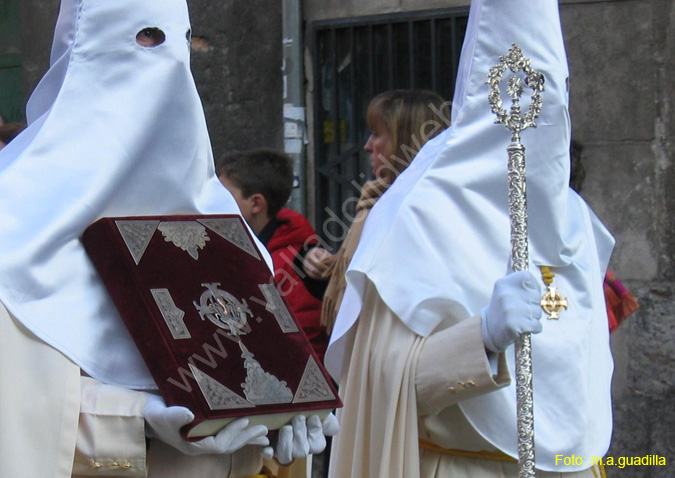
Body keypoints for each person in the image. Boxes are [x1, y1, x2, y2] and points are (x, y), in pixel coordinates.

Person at [0, 1, 335, 477]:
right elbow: (17, 404)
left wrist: (290, 413)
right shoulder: (11, 222)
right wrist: (136, 423)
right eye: (146, 40)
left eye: (180, 44)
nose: (167, 66)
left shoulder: (218, 218)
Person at [323, 0, 613, 477]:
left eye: (549, 94)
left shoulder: (574, 218)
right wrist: (482, 339)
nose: (537, 114)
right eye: (519, 91)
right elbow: (376, 384)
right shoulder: (418, 211)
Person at [300, 89, 450, 335]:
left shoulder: (416, 207)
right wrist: (314, 264)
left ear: (405, 142)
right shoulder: (375, 200)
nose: (367, 146)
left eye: (377, 135)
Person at [216, 148, 330, 361]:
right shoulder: (243, 250)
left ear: (257, 204)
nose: (214, 205)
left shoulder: (303, 262)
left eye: (225, 196)